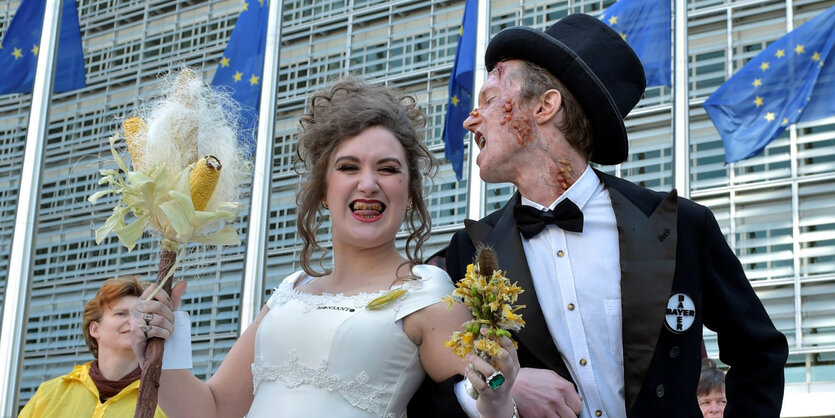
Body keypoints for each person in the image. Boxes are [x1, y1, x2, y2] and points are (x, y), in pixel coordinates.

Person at [408, 13, 788, 418]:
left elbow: (758, 352)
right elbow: (440, 390)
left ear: (545, 106)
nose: (469, 119)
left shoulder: (681, 226)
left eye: (488, 100)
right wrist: (506, 390)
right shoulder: (472, 250)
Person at [129, 77, 520, 418]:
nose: (368, 183)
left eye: (387, 169)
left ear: (411, 194)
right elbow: (211, 410)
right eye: (348, 167)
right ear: (323, 192)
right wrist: (163, 344)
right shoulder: (289, 292)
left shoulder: (428, 293)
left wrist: (502, 397)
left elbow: (477, 399)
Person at [19, 276, 167, 417]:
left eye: (139, 315)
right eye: (121, 314)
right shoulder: (48, 394)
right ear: (95, 329)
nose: (133, 322)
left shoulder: (165, 399)